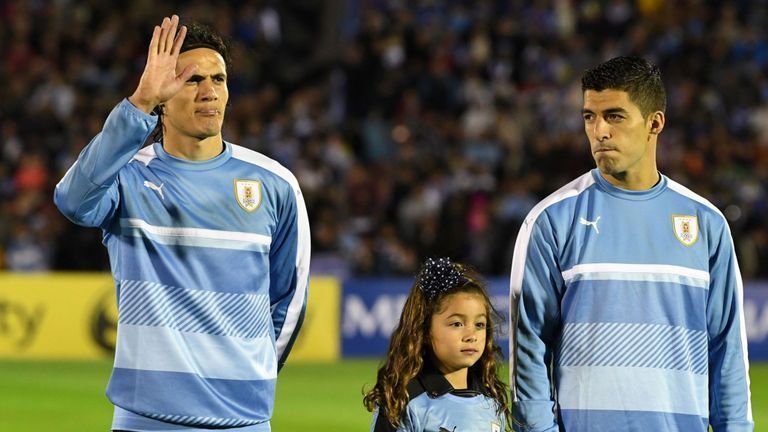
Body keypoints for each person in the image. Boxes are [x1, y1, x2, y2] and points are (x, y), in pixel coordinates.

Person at [54, 15, 310, 431]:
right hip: (145, 418)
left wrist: (251, 377)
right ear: (162, 97)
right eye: (191, 80)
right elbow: (72, 200)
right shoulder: (126, 177)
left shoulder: (275, 184)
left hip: (242, 420)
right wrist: (137, 105)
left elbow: (289, 299)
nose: (209, 92)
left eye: (219, 79)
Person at [509, 56, 753, 431]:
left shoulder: (707, 224)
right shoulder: (550, 220)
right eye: (589, 116)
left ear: (654, 122)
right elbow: (529, 350)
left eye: (615, 116)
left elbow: (727, 352)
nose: (599, 131)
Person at [364, 257, 510, 431]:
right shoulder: (405, 400)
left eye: (479, 325)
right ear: (425, 330)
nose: (471, 336)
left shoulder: (492, 400)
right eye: (457, 324)